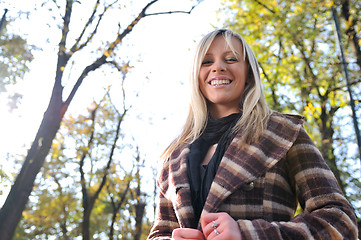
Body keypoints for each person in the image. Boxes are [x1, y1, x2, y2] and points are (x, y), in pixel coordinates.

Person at [147, 29, 358, 240]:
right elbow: (159, 234)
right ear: (196, 75)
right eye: (206, 62)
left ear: (249, 72)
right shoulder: (173, 157)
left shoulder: (284, 133)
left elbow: (341, 221)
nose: (218, 67)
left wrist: (248, 233)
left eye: (231, 59)